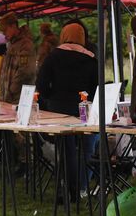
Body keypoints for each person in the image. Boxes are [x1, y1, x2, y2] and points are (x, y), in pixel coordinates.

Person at [37, 22, 98, 202]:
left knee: (67, 149)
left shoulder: (53, 56)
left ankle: (68, 188)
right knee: (87, 147)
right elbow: (96, 87)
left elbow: (41, 84)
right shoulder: (90, 59)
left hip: (58, 109)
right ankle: (81, 186)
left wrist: (51, 98)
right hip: (83, 108)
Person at [0, 12, 37, 104]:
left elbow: (26, 71)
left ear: (13, 26)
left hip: (19, 98)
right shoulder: (11, 44)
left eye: (5, 30)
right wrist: (1, 85)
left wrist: (12, 89)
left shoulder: (25, 44)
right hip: (9, 97)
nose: (4, 34)